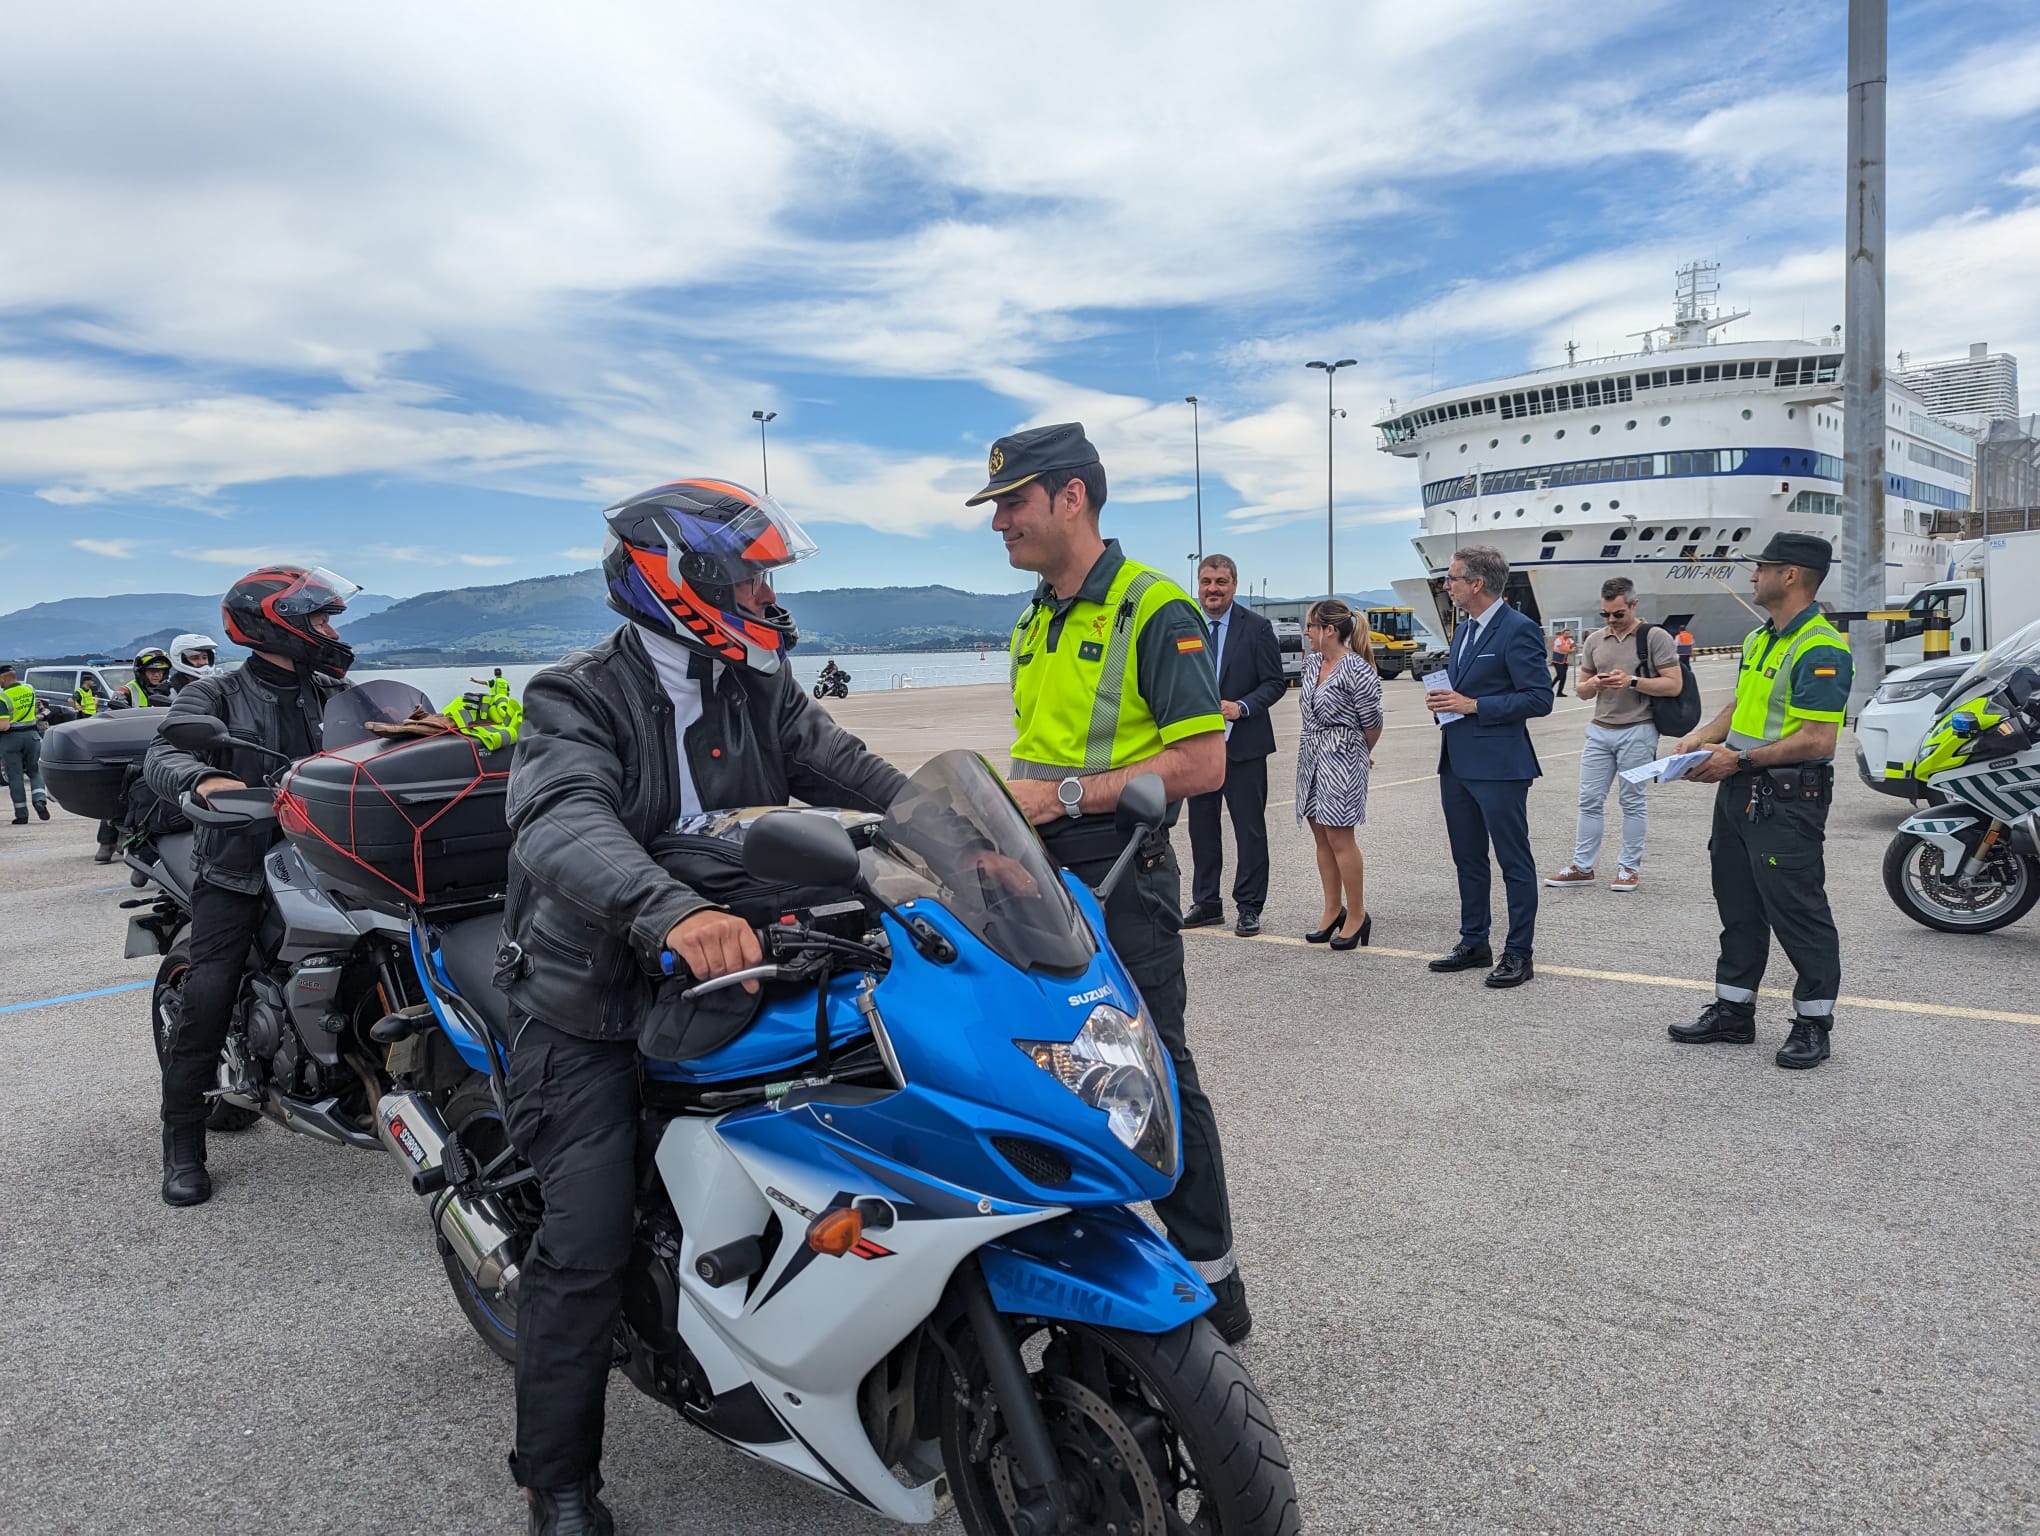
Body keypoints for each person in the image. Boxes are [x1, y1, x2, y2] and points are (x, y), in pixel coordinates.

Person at [499, 480, 907, 1534]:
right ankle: (557, 1482)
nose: (769, 591)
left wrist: (968, 841)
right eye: (753, 572)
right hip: (594, 994)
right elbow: (560, 817)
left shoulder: (754, 681)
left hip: (744, 969)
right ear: (683, 580)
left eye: (771, 572)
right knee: (584, 1237)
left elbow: (849, 769)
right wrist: (668, 910)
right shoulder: (572, 694)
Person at [972, 421, 1251, 1342]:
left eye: (1014, 502)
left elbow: (1203, 763)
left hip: (1120, 871)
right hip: (1036, 878)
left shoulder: (1152, 607)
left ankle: (1216, 1279)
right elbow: (1034, 756)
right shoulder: (1030, 618)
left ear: (1072, 497)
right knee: (1045, 1070)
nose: (1001, 521)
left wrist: (1054, 797)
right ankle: (1073, 1272)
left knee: (1155, 1066)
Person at [145, 567, 360, 1207]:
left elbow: (377, 742)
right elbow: (164, 752)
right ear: (276, 625)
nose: (329, 632)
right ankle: (181, 1140)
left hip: (337, 855)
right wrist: (203, 782)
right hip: (240, 861)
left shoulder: (338, 692)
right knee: (210, 988)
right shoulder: (216, 695)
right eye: (321, 619)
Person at [1668, 532, 1850, 1070]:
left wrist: (1739, 760)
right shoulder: (1762, 638)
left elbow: (1819, 739)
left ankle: (1813, 1023)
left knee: (1799, 911)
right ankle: (1733, 1011)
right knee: (1738, 906)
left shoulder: (1820, 648)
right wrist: (1703, 737)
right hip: (1740, 792)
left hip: (1786, 801)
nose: (1753, 576)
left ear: (1789, 575)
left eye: (1762, 567)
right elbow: (1741, 703)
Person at [1424, 545, 1554, 988]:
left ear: (1476, 584)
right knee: (1468, 859)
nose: (1447, 586)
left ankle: (1519, 953)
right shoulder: (1463, 631)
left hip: (1499, 764)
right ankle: (1473, 941)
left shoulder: (1518, 629)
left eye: (1453, 578)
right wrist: (1446, 704)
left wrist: (1473, 704)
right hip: (1457, 760)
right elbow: (1463, 692)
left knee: (1513, 861)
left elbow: (1539, 698)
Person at [1544, 579, 1683, 894]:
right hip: (1599, 730)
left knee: (1632, 800)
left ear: (1634, 605)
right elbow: (1580, 689)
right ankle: (1582, 867)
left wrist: (1632, 681)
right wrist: (1594, 685)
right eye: (1605, 614)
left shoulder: (1654, 638)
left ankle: (1628, 869)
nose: (1611, 620)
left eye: (1617, 614)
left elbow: (1674, 685)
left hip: (1639, 729)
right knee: (1589, 800)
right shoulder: (1595, 640)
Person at [1182, 554, 1286, 937]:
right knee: (1201, 829)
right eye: (1207, 581)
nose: (1213, 589)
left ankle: (1249, 906)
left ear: (1233, 585)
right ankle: (1206, 903)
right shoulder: (1183, 625)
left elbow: (1274, 683)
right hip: (1198, 747)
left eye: (1221, 582)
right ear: (1198, 584)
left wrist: (1241, 707)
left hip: (1244, 746)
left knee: (1250, 829)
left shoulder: (1257, 628)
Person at [1295, 599, 1384, 949]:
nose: (1307, 632)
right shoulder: (1313, 663)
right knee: (1320, 835)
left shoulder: (1357, 670)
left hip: (1343, 756)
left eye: (1312, 627)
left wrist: (1360, 754)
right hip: (1312, 755)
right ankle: (1333, 909)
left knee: (1340, 838)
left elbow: (1373, 723)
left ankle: (1358, 914)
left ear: (1329, 630)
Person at [95, 649, 179, 861]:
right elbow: (110, 715)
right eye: (152, 671)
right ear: (141, 671)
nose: (157, 675)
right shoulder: (126, 690)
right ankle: (106, 842)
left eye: (161, 671)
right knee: (118, 793)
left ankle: (140, 843)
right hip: (131, 749)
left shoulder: (172, 691)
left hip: (161, 748)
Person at [0, 662, 51, 825]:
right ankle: (39, 800)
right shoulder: (30, 690)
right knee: (35, 772)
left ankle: (22, 815)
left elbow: (4, 725)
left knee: (15, 778)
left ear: (3, 678)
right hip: (32, 736)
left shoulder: (3, 697)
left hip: (11, 739)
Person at [1550, 626, 1576, 697]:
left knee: (1561, 676)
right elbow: (1561, 649)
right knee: (1561, 676)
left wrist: (1583, 646)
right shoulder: (1558, 640)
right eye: (1566, 634)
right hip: (1557, 660)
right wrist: (1571, 650)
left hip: (1564, 661)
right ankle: (1551, 689)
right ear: (1562, 634)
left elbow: (1574, 645)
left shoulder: (1569, 640)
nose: (1567, 635)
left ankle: (1558, 692)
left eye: (1568, 634)